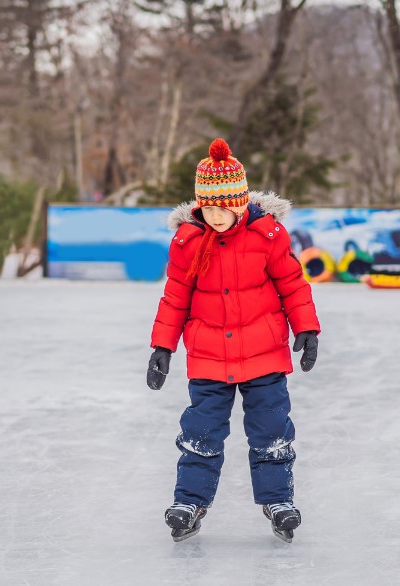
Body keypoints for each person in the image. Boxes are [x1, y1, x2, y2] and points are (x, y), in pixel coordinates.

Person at [147, 138, 320, 543]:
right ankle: (190, 501)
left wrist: (307, 328)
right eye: (207, 206)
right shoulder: (188, 242)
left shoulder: (268, 235)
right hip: (209, 358)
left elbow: (293, 284)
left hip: (265, 356)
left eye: (223, 206)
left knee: (272, 431)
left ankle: (278, 500)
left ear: (241, 202)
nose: (215, 215)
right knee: (200, 433)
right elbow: (175, 297)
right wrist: (162, 347)